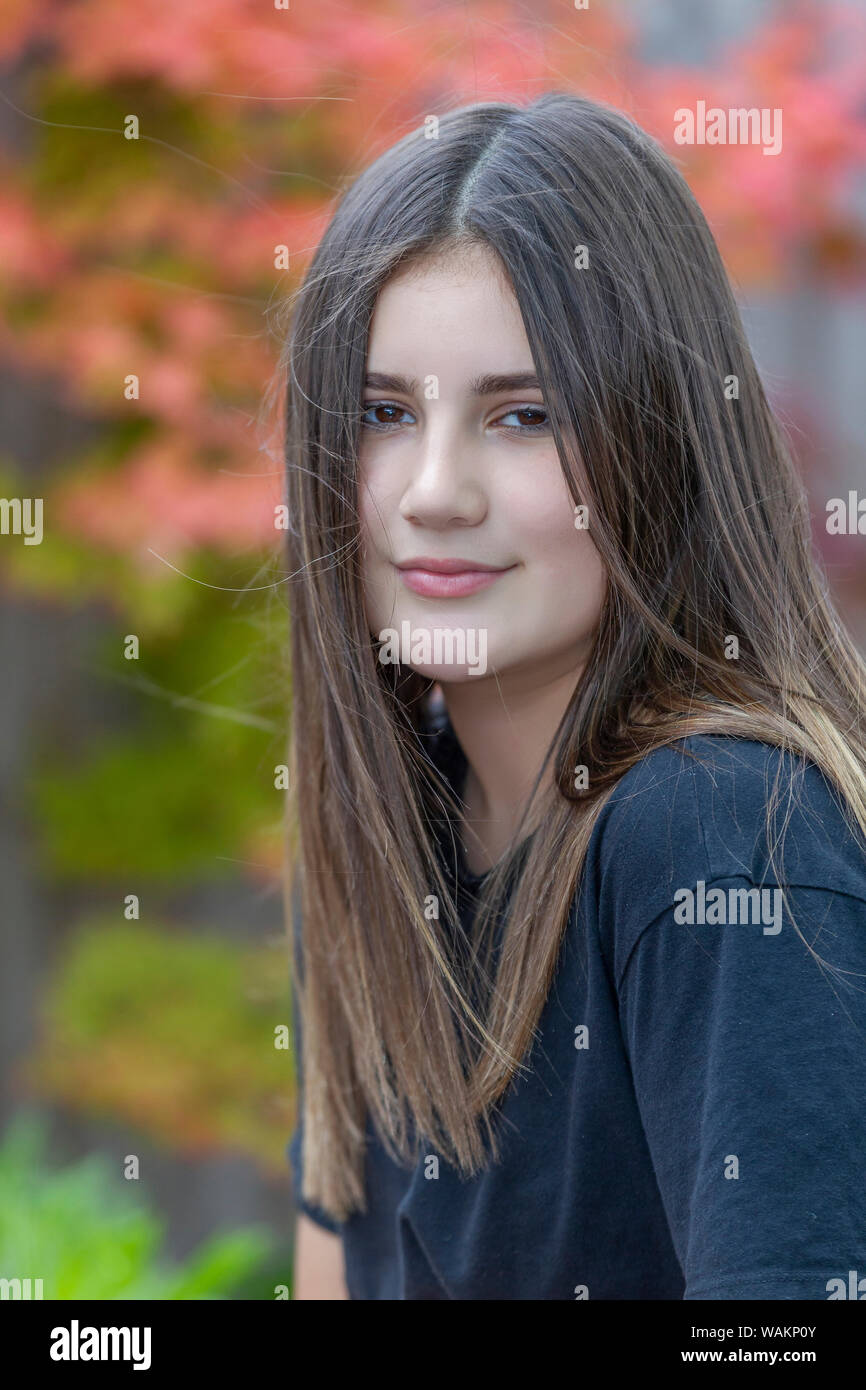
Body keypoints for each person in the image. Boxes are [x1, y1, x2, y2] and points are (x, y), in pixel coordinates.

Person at [280, 92, 866, 1300]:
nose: (433, 491)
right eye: (384, 412)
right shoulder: (389, 820)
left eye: (525, 414)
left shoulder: (720, 833)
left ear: (657, 439)